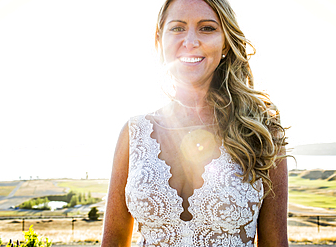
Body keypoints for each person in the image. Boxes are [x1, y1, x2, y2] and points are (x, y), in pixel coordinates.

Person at [102, 0, 288, 246]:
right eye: (178, 28)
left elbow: (275, 243)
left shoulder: (262, 132)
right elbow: (113, 241)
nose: (190, 42)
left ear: (225, 43)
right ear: (159, 40)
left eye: (207, 28)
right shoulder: (135, 133)